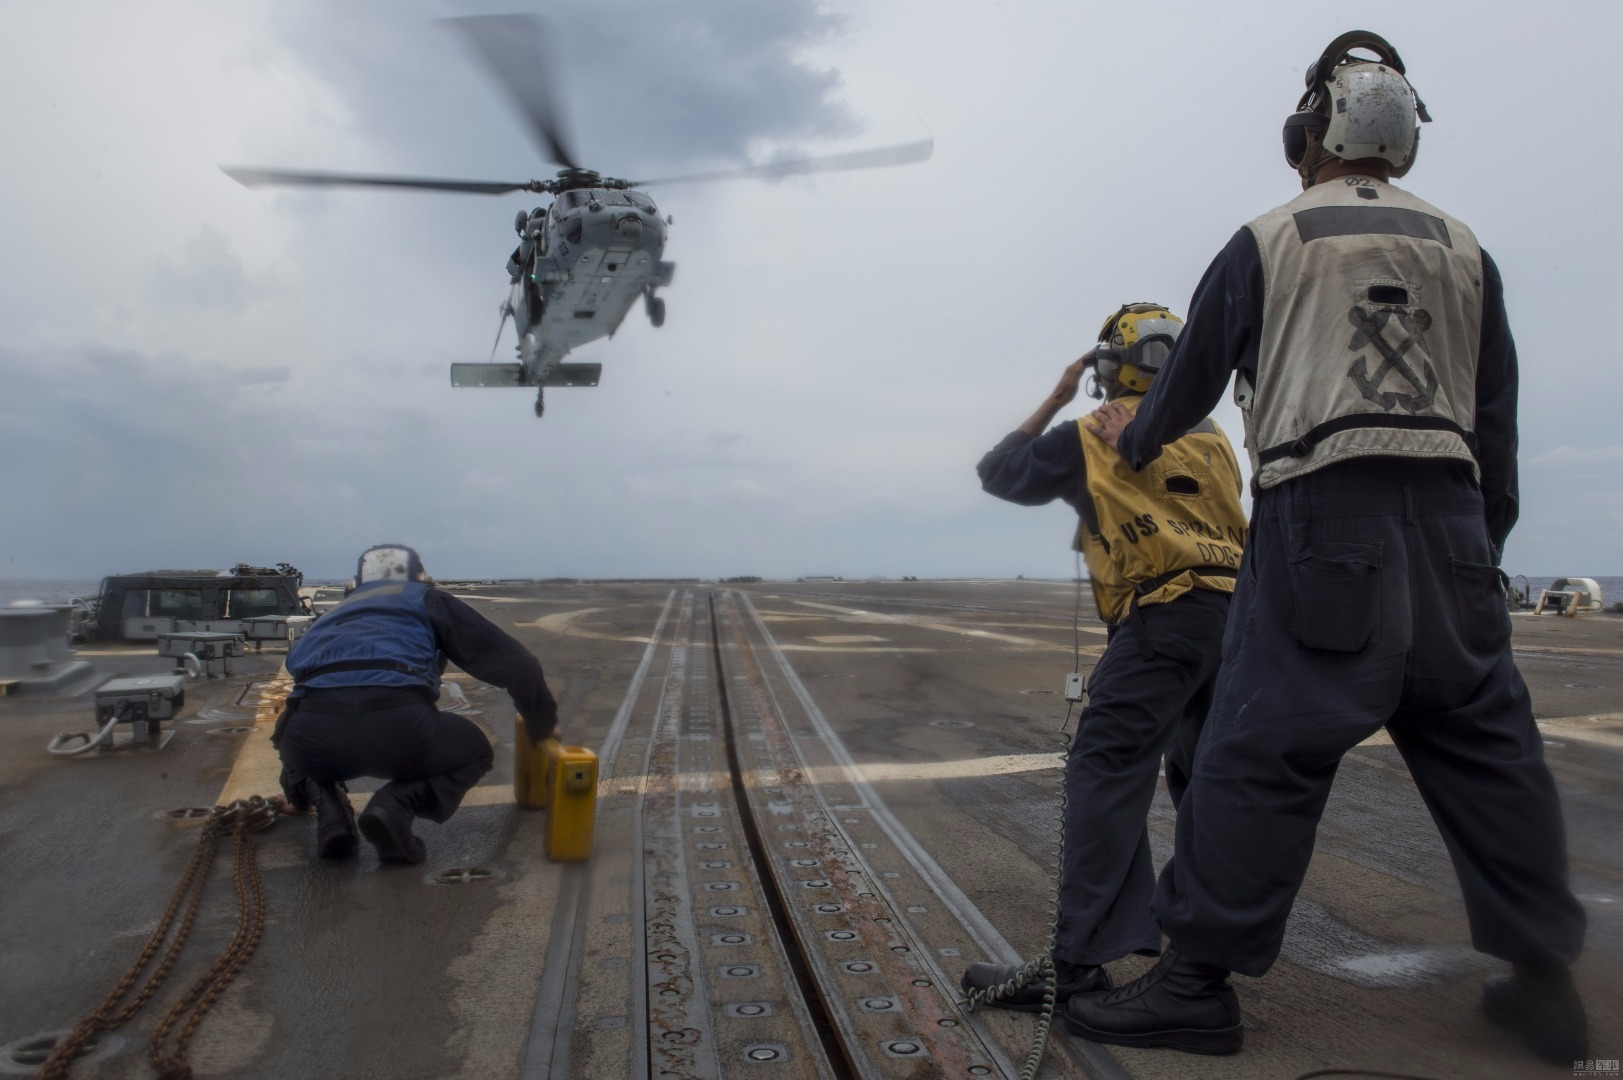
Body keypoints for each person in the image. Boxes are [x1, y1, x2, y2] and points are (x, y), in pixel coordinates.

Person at [1066, 32, 1589, 1063]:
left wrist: (1138, 433)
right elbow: (1498, 422)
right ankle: (1546, 984)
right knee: (1493, 757)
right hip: (1453, 527)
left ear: (1310, 133)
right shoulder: (1466, 247)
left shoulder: (1271, 237)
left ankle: (1194, 984)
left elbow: (1183, 395)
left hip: (1321, 519)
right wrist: (1478, 561)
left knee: (1254, 756)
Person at [960, 303, 1249, 1013]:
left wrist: (1058, 397)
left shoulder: (1090, 431)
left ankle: (1077, 963)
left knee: (1105, 771)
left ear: (1107, 367)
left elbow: (998, 473)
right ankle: (1197, 961)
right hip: (1238, 622)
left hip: (1161, 619)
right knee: (1206, 787)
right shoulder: (1212, 437)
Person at [274, 544, 559, 866]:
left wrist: (297, 800)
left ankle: (331, 818)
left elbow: (297, 675)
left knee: (291, 729)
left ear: (354, 585)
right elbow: (517, 664)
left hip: (314, 740)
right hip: (401, 730)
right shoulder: (427, 600)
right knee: (475, 750)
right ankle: (394, 807)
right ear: (421, 579)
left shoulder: (330, 617)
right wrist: (541, 726)